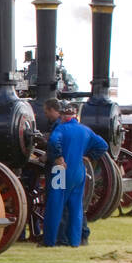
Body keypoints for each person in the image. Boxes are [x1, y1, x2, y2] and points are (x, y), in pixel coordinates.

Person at [43, 98, 108, 247]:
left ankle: (50, 241)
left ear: (63, 116)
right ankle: (75, 241)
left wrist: (58, 156)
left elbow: (53, 142)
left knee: (55, 204)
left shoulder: (60, 128)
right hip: (79, 171)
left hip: (61, 170)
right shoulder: (85, 130)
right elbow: (102, 145)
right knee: (76, 207)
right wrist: (90, 157)